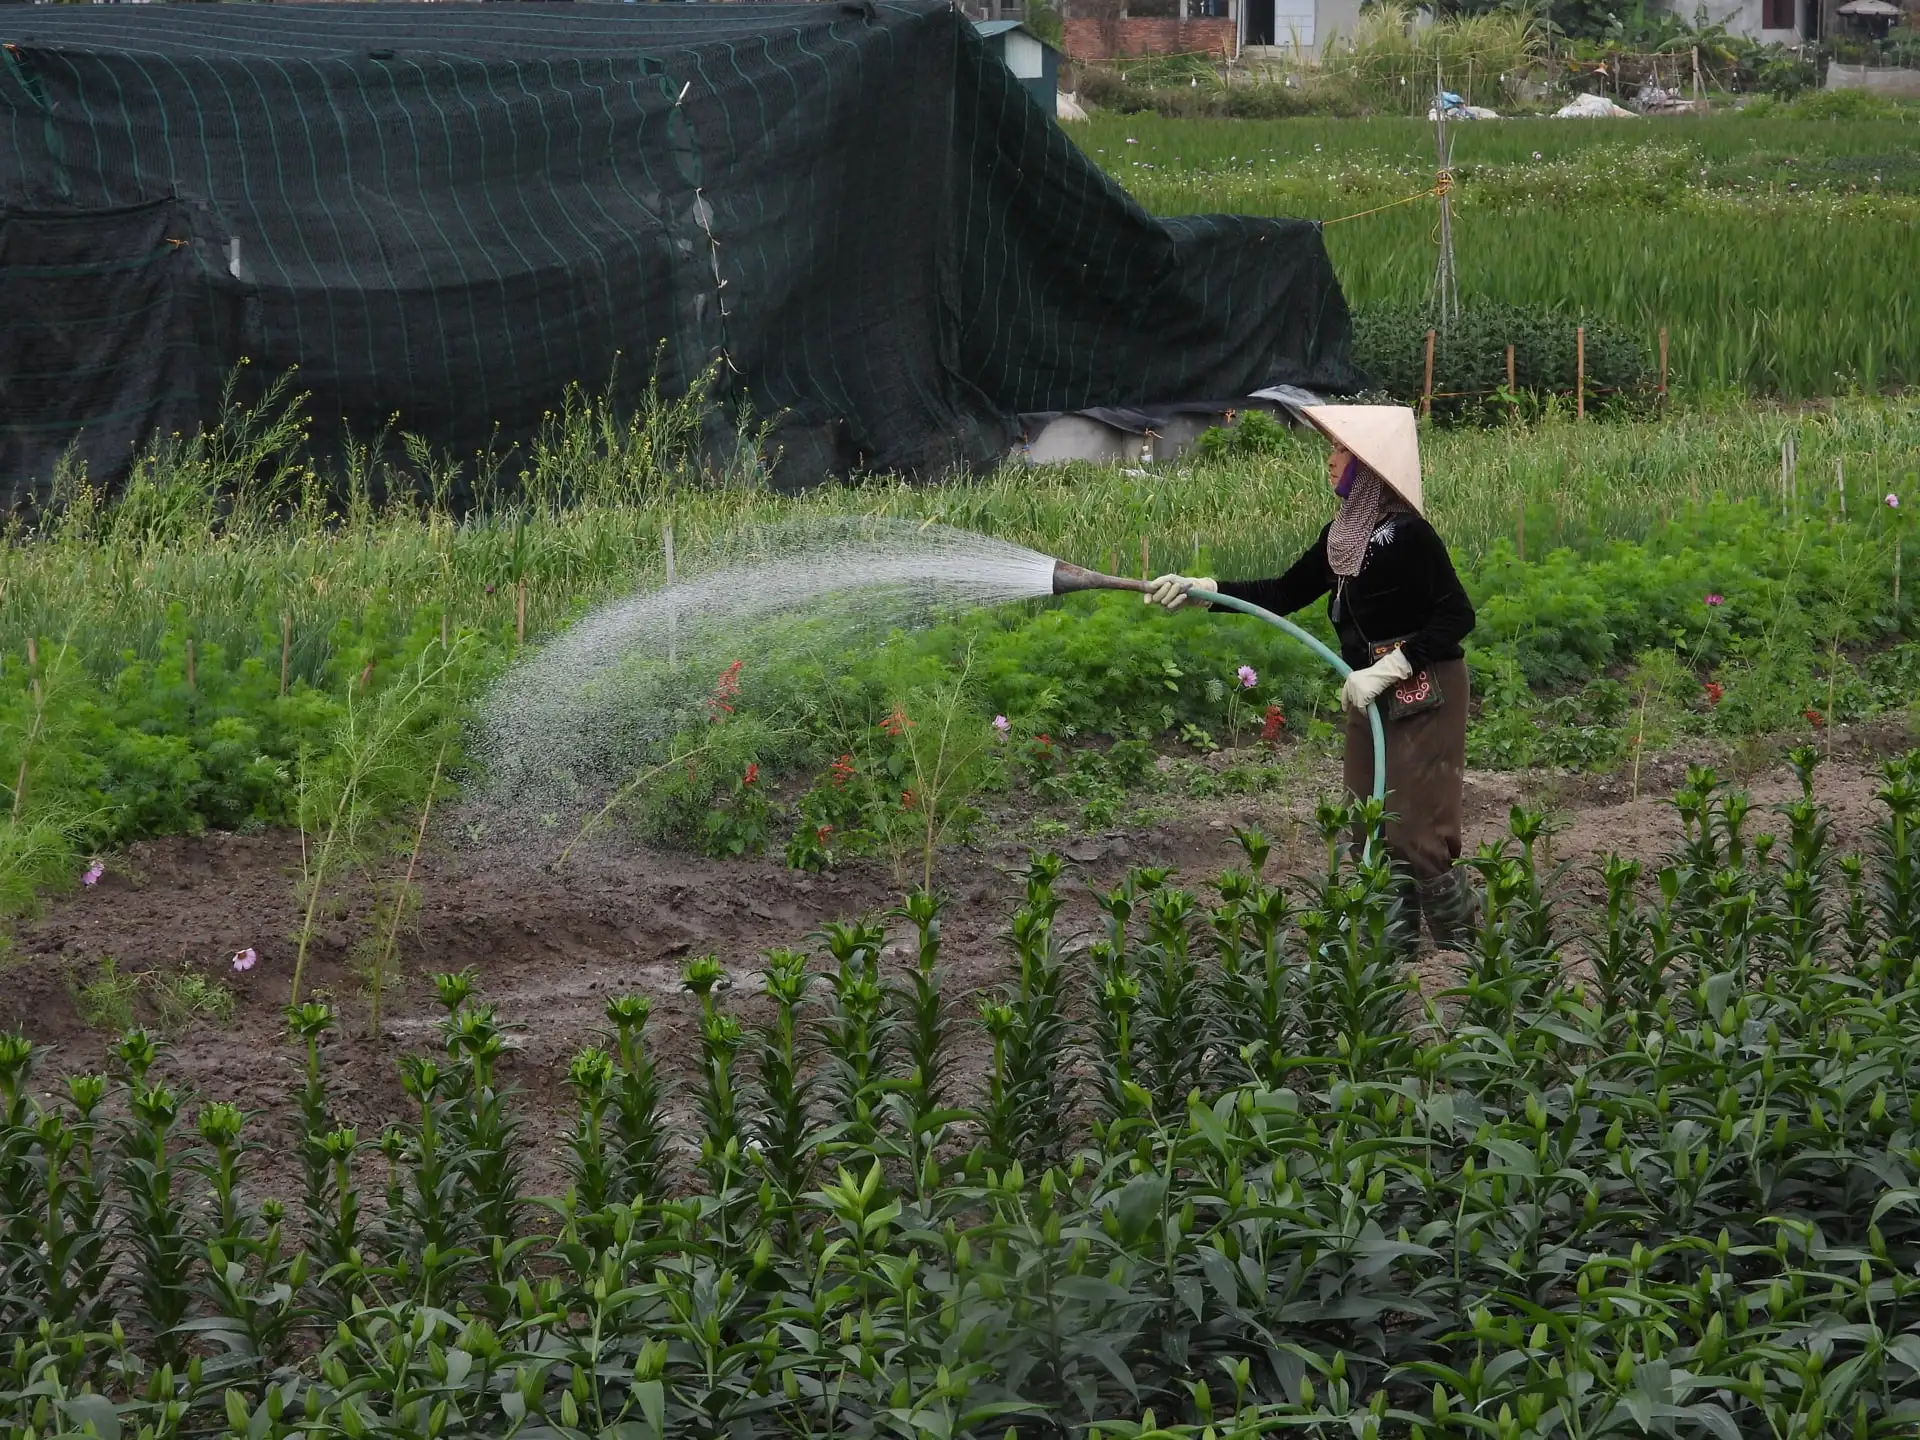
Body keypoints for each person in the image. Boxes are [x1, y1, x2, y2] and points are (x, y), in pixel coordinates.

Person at [1143, 404, 1478, 952]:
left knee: (1418, 829)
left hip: (1423, 688)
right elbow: (1282, 593)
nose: (1330, 460)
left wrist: (1394, 665)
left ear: (1366, 465)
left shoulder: (1409, 536)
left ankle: (1469, 961)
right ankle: (1389, 957)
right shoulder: (1342, 537)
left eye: (1341, 451)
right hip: (1368, 689)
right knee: (1367, 819)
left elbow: (1456, 616)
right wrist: (1204, 589)